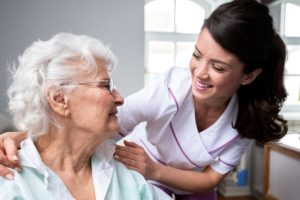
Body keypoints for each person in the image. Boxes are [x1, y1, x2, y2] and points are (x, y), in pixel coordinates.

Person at [0, 0, 288, 199]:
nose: (199, 73)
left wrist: (155, 169)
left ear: (248, 76)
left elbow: (210, 180)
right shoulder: (172, 88)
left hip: (188, 185)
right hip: (140, 168)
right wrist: (24, 137)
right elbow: (92, 123)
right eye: (197, 56)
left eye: (219, 67)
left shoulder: (247, 119)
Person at [0, 33, 171, 200]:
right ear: (59, 99)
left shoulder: (124, 170)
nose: (120, 98)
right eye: (105, 86)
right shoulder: (9, 180)